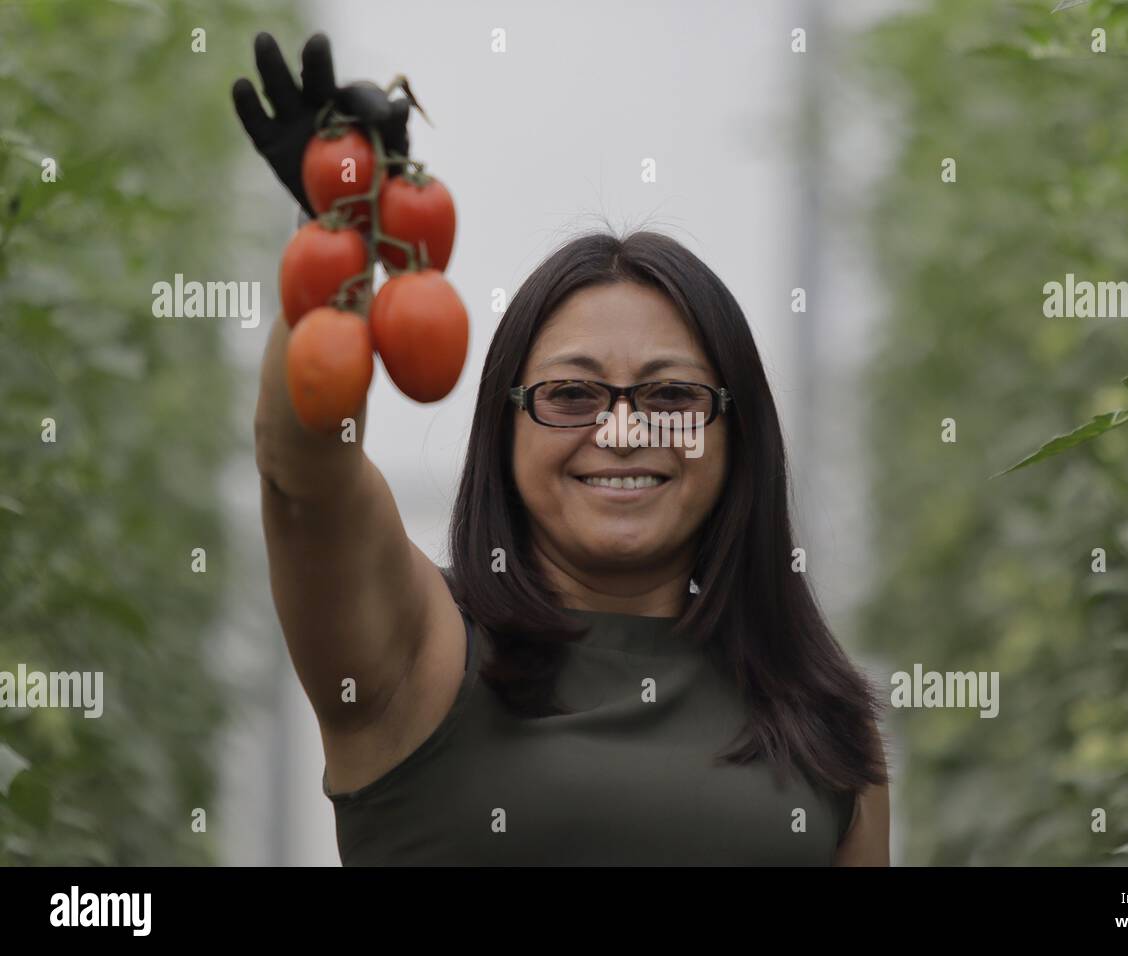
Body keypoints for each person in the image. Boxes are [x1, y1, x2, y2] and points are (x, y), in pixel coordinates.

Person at [234, 31, 889, 865]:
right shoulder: (418, 653)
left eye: (672, 396)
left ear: (739, 434)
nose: (620, 431)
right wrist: (341, 231)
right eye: (570, 395)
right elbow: (303, 480)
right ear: (504, 431)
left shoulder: (825, 719)